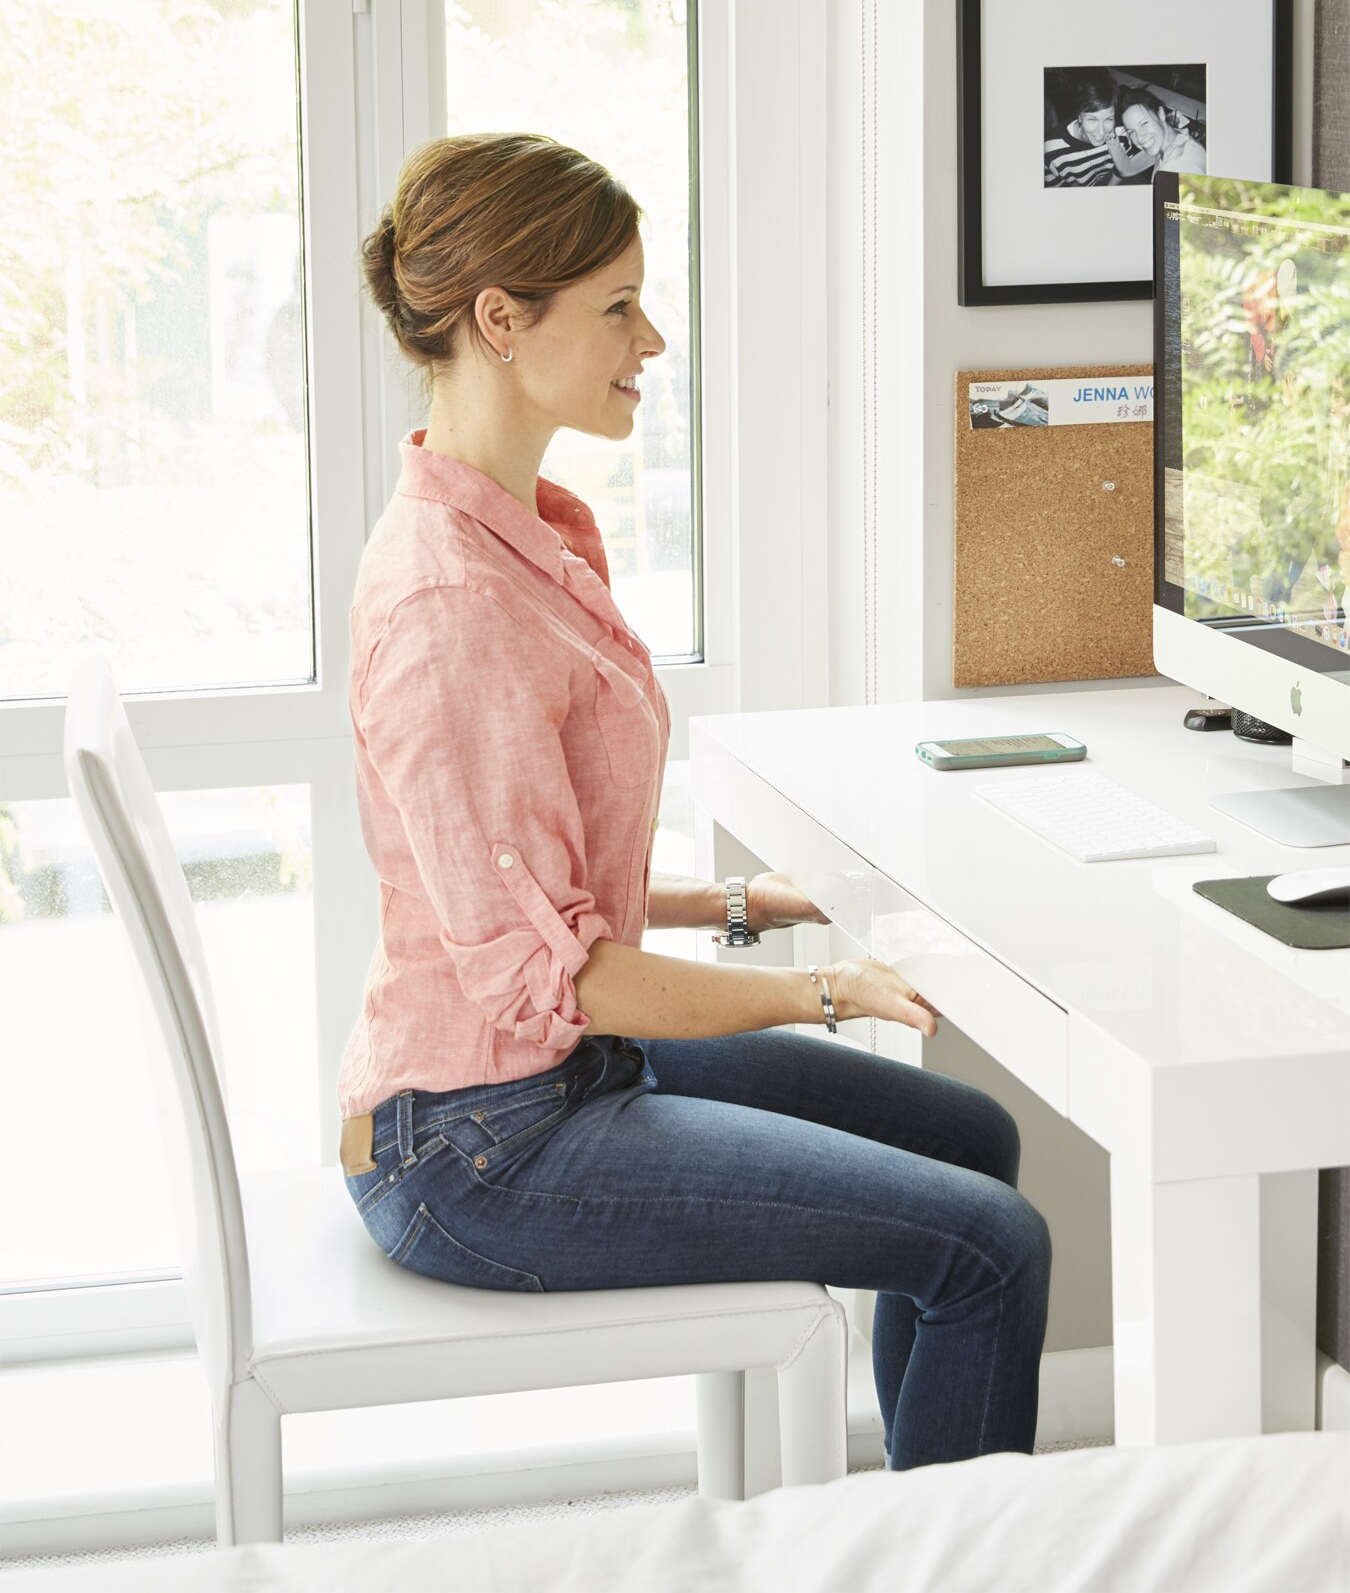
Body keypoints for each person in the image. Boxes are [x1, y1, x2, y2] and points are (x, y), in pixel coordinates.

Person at [339, 131, 1051, 1471]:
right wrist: (817, 987)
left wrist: (745, 903)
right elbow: (562, 979)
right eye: (615, 305)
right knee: (986, 1245)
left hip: (548, 1076)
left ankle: (926, 1529)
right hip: (482, 1149)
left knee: (974, 1138)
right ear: (501, 320)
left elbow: (518, 892)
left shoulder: (519, 529)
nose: (649, 337)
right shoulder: (448, 601)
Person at [1119, 87, 1206, 175]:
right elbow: (1127, 169)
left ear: (1161, 114)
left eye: (1144, 123)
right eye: (1131, 132)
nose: (1140, 138)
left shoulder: (1179, 166)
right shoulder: (1170, 140)